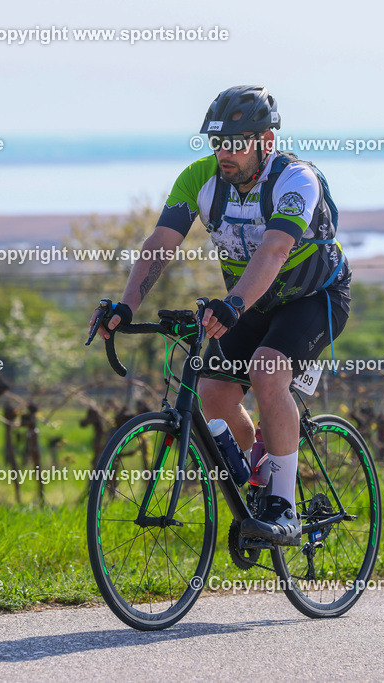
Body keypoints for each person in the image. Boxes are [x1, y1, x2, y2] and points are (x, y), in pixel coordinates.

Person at [92, 85, 351, 545]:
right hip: (254, 301)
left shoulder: (296, 181)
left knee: (267, 372)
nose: (224, 153)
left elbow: (274, 250)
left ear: (265, 141)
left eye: (236, 142)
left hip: (316, 298)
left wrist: (231, 305)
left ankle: (284, 507)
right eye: (217, 143)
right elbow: (160, 245)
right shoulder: (199, 179)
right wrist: (127, 304)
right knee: (211, 392)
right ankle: (255, 471)